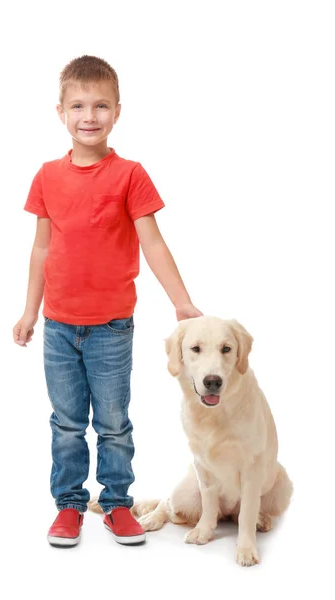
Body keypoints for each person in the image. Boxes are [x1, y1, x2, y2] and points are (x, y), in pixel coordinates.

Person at [13, 55, 202, 547]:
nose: (89, 115)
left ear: (117, 111)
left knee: (114, 423)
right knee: (68, 422)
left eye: (100, 105)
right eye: (78, 105)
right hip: (57, 327)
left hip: (111, 328)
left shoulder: (131, 175)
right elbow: (41, 249)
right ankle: (70, 506)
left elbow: (153, 243)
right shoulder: (46, 177)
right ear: (60, 112)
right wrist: (30, 311)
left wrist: (182, 303)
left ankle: (117, 503)